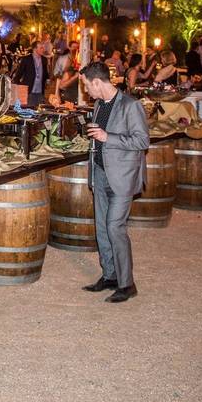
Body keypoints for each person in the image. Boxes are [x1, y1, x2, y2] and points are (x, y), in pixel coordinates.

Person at [79, 62, 149, 303]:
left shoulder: (132, 106)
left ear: (97, 82)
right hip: (100, 173)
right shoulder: (99, 104)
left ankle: (127, 283)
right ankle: (109, 275)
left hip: (122, 177)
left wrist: (108, 137)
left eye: (87, 85)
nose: (86, 90)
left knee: (114, 228)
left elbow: (142, 141)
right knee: (101, 228)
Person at [13, 42, 49, 107]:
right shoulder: (26, 59)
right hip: (28, 91)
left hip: (40, 92)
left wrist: (47, 80)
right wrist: (21, 89)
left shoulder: (44, 60)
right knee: (28, 112)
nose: (43, 49)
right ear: (35, 49)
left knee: (39, 111)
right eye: (41, 48)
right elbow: (18, 75)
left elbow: (45, 73)